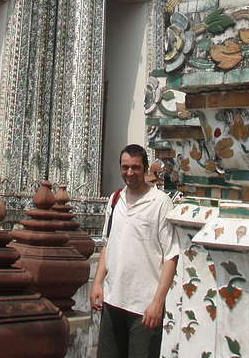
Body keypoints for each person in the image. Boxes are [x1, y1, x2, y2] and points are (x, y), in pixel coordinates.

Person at [90, 144, 180, 358]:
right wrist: (97, 283)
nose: (129, 173)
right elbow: (108, 244)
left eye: (135, 167)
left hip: (144, 306)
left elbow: (171, 256)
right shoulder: (115, 199)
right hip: (113, 300)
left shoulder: (160, 202)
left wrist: (158, 303)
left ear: (145, 168)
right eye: (125, 167)